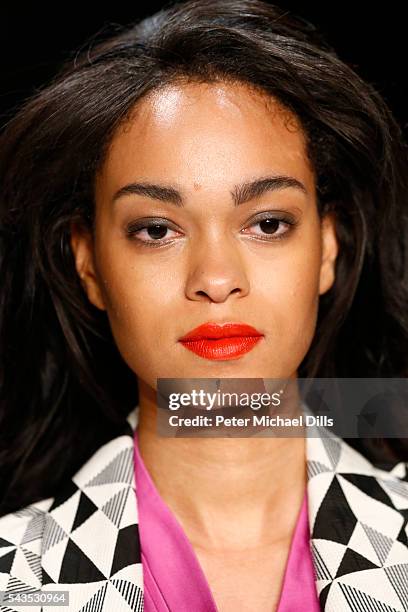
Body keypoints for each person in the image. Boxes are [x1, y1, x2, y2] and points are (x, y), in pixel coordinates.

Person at [0, 1, 407, 610]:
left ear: (328, 247)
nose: (216, 280)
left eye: (267, 223)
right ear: (89, 265)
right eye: (158, 230)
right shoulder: (16, 579)